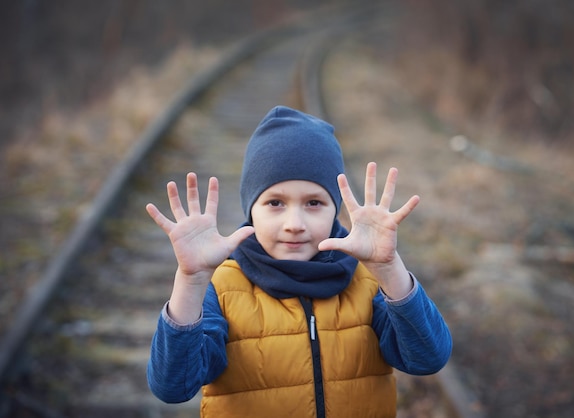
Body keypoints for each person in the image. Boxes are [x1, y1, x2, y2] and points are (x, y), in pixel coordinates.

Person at [145, 105, 452, 417]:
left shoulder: (369, 281)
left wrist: (388, 269)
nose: (295, 223)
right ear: (251, 209)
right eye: (275, 202)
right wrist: (191, 281)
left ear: (336, 209)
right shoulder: (221, 287)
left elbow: (427, 358)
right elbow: (173, 386)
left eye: (314, 203)